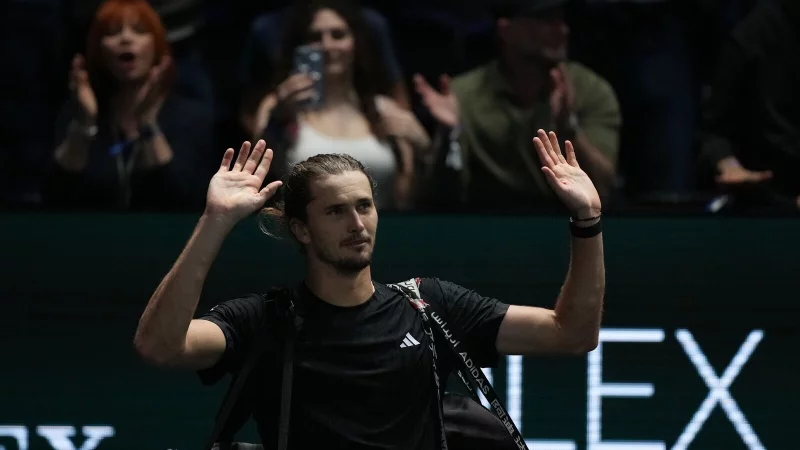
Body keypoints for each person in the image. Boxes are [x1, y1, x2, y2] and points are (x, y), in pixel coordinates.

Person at [133, 128, 605, 449]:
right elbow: (159, 346)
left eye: (365, 206)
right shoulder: (266, 320)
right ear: (300, 229)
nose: (357, 224)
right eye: (336, 212)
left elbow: (572, 333)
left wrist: (587, 221)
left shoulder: (429, 305)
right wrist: (215, 222)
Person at [414, 0, 621, 212]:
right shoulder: (463, 95)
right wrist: (450, 134)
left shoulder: (589, 89)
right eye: (544, 20)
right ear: (506, 30)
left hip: (566, 219)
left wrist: (568, 126)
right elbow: (441, 196)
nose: (561, 29)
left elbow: (602, 187)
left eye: (561, 20)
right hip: (488, 222)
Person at [243, 0, 430, 211]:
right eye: (315, 37)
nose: (327, 45)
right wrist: (278, 120)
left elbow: (406, 196)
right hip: (305, 236)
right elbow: (256, 177)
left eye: (338, 35)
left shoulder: (384, 110)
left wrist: (423, 146)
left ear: (355, 43)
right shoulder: (278, 105)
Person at [44, 0, 214, 211]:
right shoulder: (76, 113)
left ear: (157, 45)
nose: (126, 38)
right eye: (113, 32)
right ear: (99, 49)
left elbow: (183, 200)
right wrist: (85, 121)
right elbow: (56, 197)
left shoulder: (190, 117)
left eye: (139, 31)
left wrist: (148, 124)